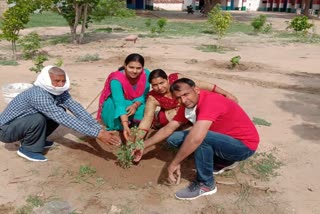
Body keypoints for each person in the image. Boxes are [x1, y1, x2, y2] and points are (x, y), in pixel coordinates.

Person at [133, 78, 259, 200]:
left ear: (196, 89)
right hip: (225, 140)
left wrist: (174, 163)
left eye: (186, 94)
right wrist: (143, 145)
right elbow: (168, 128)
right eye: (178, 98)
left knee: (200, 138)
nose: (184, 100)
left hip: (243, 146)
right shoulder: (188, 104)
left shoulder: (210, 102)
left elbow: (196, 139)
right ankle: (222, 162)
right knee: (174, 138)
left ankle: (206, 184)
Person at [0, 66, 121, 162]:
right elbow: (63, 118)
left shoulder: (59, 91)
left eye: (63, 81)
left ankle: (36, 139)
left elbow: (76, 108)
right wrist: (97, 133)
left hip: (21, 124)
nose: (60, 84)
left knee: (59, 110)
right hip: (6, 130)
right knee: (41, 118)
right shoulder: (38, 94)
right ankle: (28, 149)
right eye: (56, 81)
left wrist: (98, 129)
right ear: (46, 80)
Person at [137, 69, 238, 137]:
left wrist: (226, 93)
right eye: (154, 85)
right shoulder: (153, 97)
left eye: (161, 83)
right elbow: (147, 119)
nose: (159, 87)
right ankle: (187, 126)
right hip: (173, 113)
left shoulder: (177, 80)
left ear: (167, 80)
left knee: (213, 99)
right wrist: (138, 139)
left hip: (190, 107)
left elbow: (203, 85)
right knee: (170, 117)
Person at [97, 53, 150, 140]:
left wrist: (135, 105)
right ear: (125, 65)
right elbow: (119, 103)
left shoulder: (146, 74)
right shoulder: (116, 79)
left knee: (145, 107)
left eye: (138, 68)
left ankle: (134, 123)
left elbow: (144, 95)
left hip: (136, 103)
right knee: (111, 105)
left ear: (143, 68)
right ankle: (123, 125)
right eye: (131, 67)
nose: (135, 71)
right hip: (118, 104)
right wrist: (125, 125)